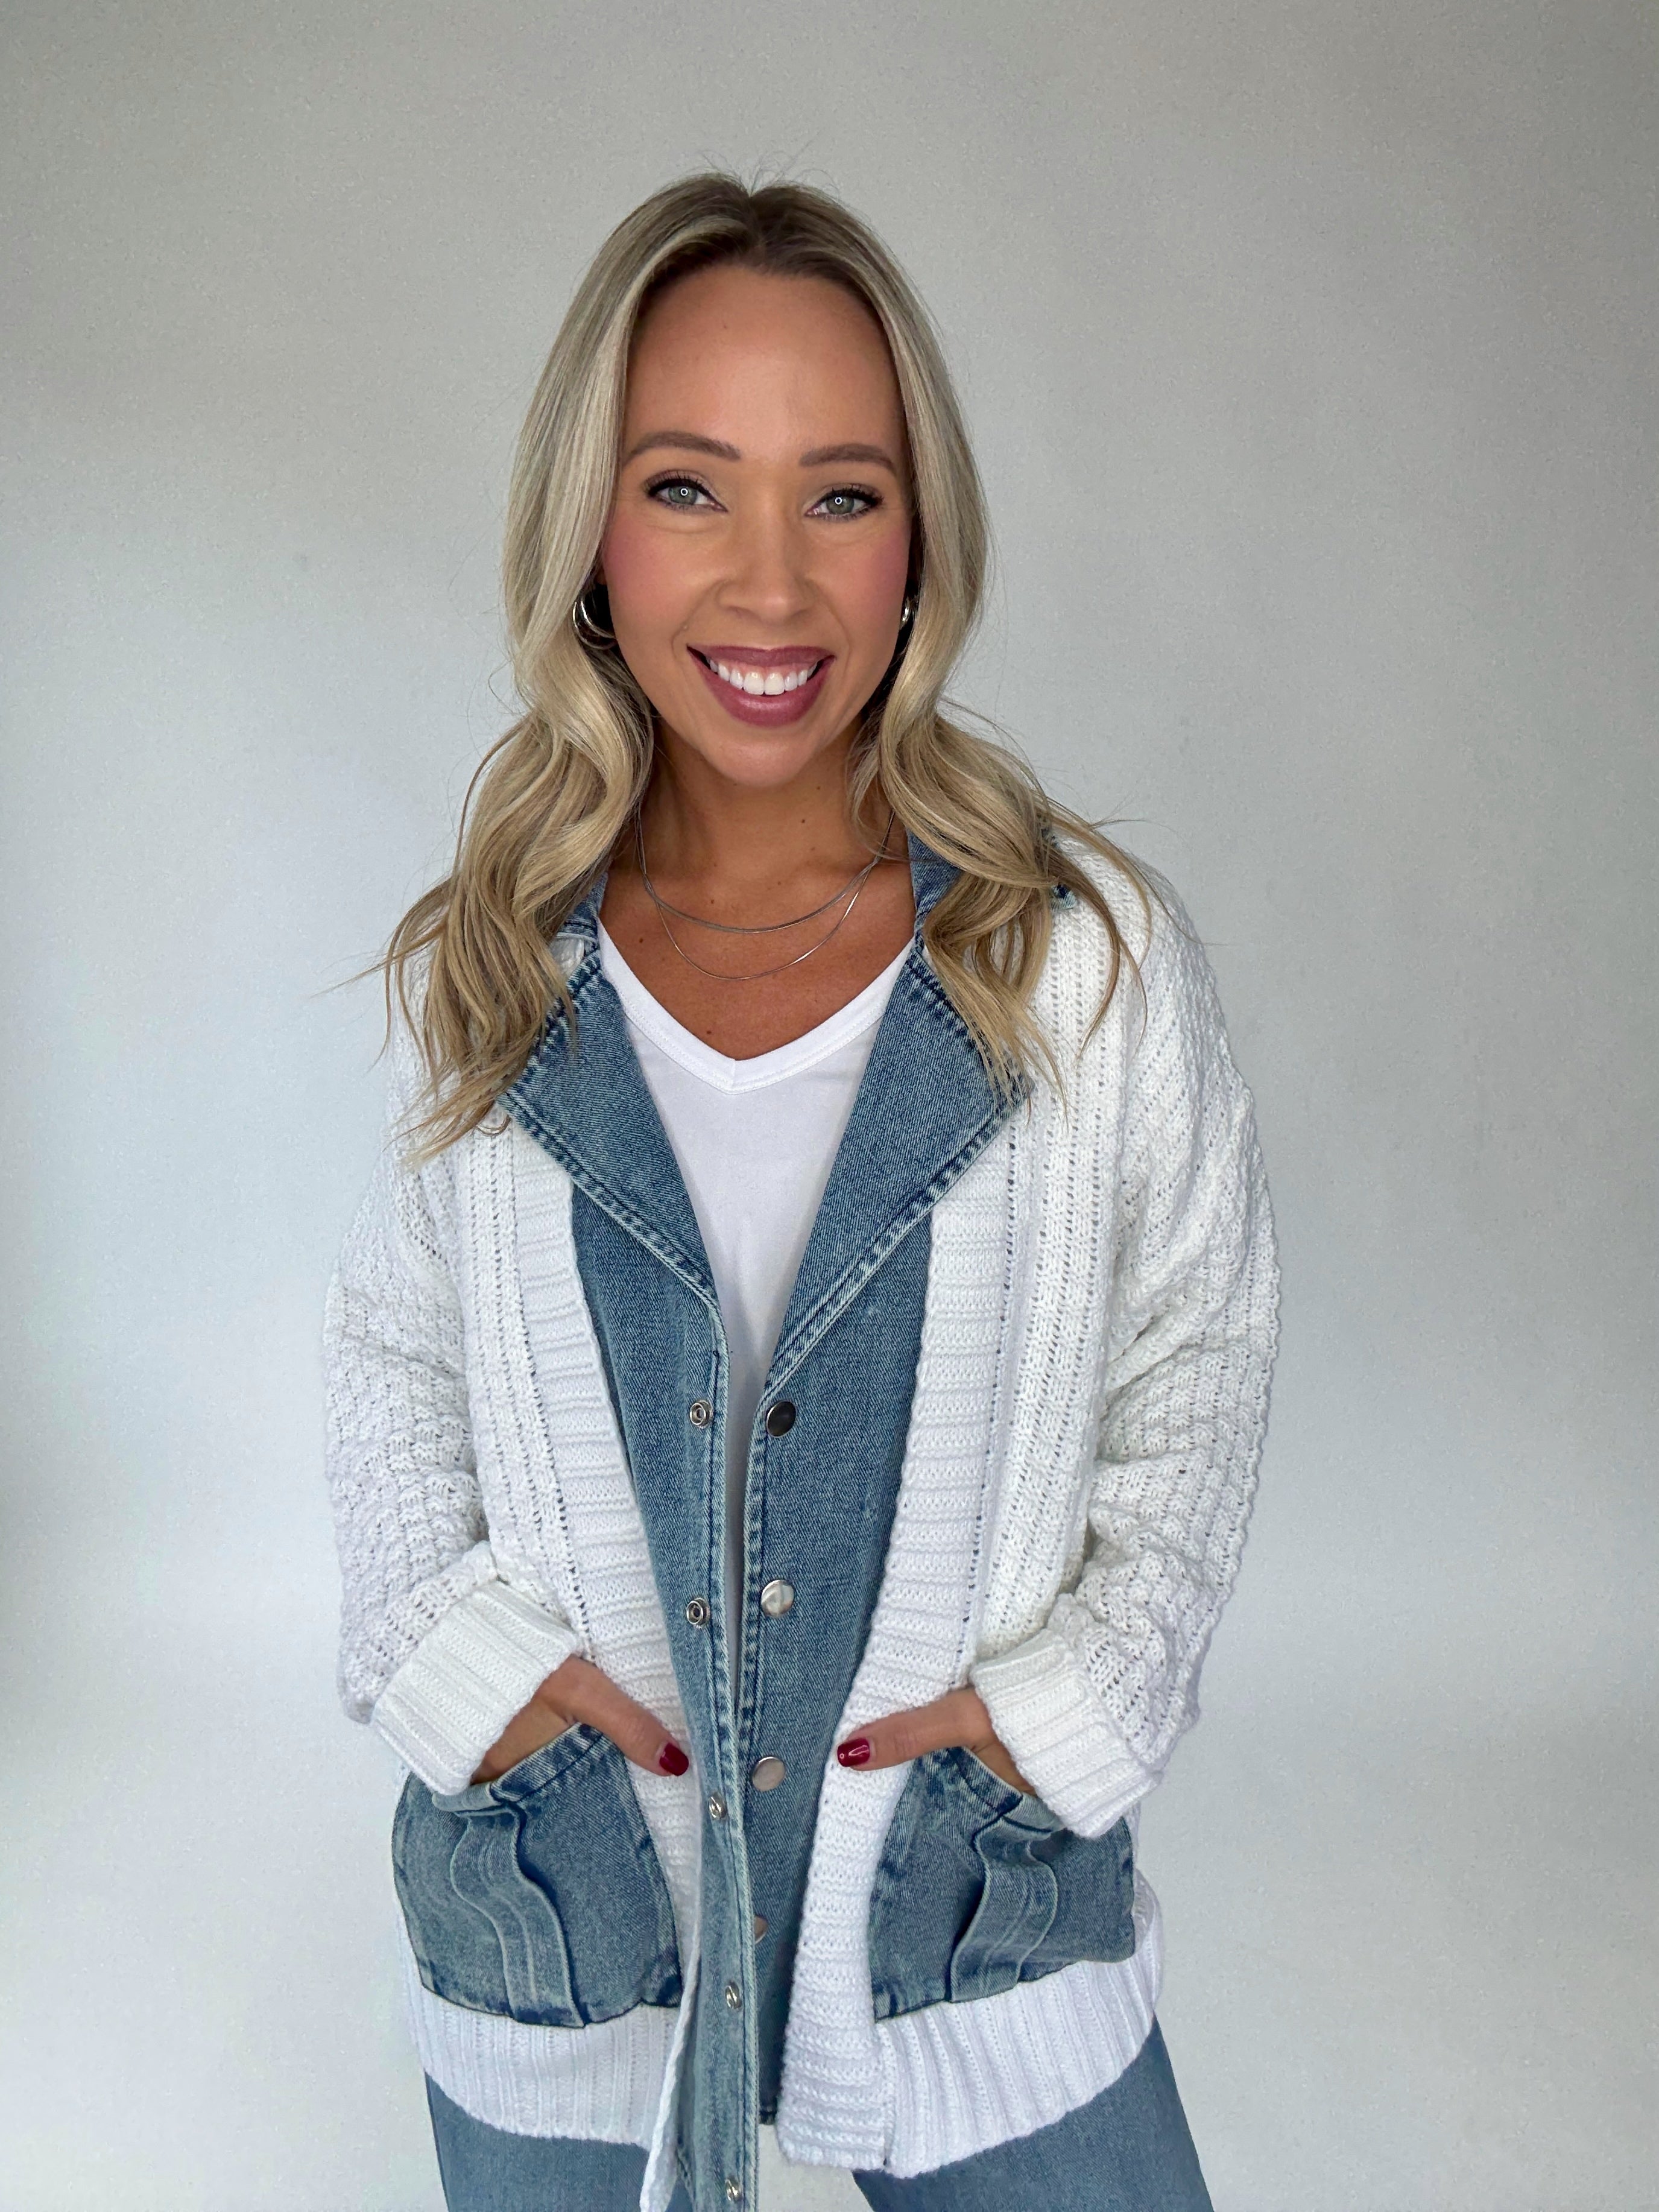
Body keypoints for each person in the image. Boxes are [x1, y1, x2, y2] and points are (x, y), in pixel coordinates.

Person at [323, 172, 1280, 2212]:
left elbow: (1197, 1356)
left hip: (968, 1905)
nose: (772, 584)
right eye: (687, 487)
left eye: (842, 494)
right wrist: (477, 1693)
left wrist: (1071, 1715)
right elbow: (394, 1362)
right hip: (568, 1896)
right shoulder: (486, 971)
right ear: (590, 532)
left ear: (921, 539)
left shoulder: (1083, 963)